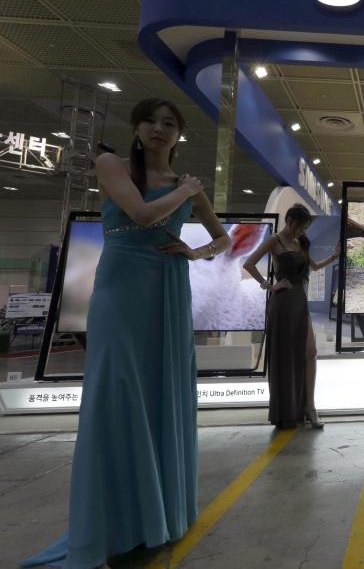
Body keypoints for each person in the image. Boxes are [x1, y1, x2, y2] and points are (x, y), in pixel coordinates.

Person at [23, 98, 230, 569]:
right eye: (151, 122)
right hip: (119, 289)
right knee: (115, 392)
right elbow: (139, 214)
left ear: (179, 134)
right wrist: (187, 191)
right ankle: (110, 521)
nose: (159, 129)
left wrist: (195, 254)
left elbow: (222, 239)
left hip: (167, 289)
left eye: (169, 123)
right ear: (136, 128)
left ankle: (159, 517)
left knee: (162, 392)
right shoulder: (111, 163)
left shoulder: (184, 185)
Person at [243, 205, 338, 429]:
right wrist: (269, 285)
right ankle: (287, 411)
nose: (302, 230)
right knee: (285, 357)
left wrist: (334, 255)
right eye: (301, 225)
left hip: (300, 302)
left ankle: (310, 408)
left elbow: (313, 266)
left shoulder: (301, 242)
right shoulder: (275, 240)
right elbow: (248, 263)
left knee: (310, 352)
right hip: (283, 303)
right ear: (289, 220)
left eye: (306, 227)